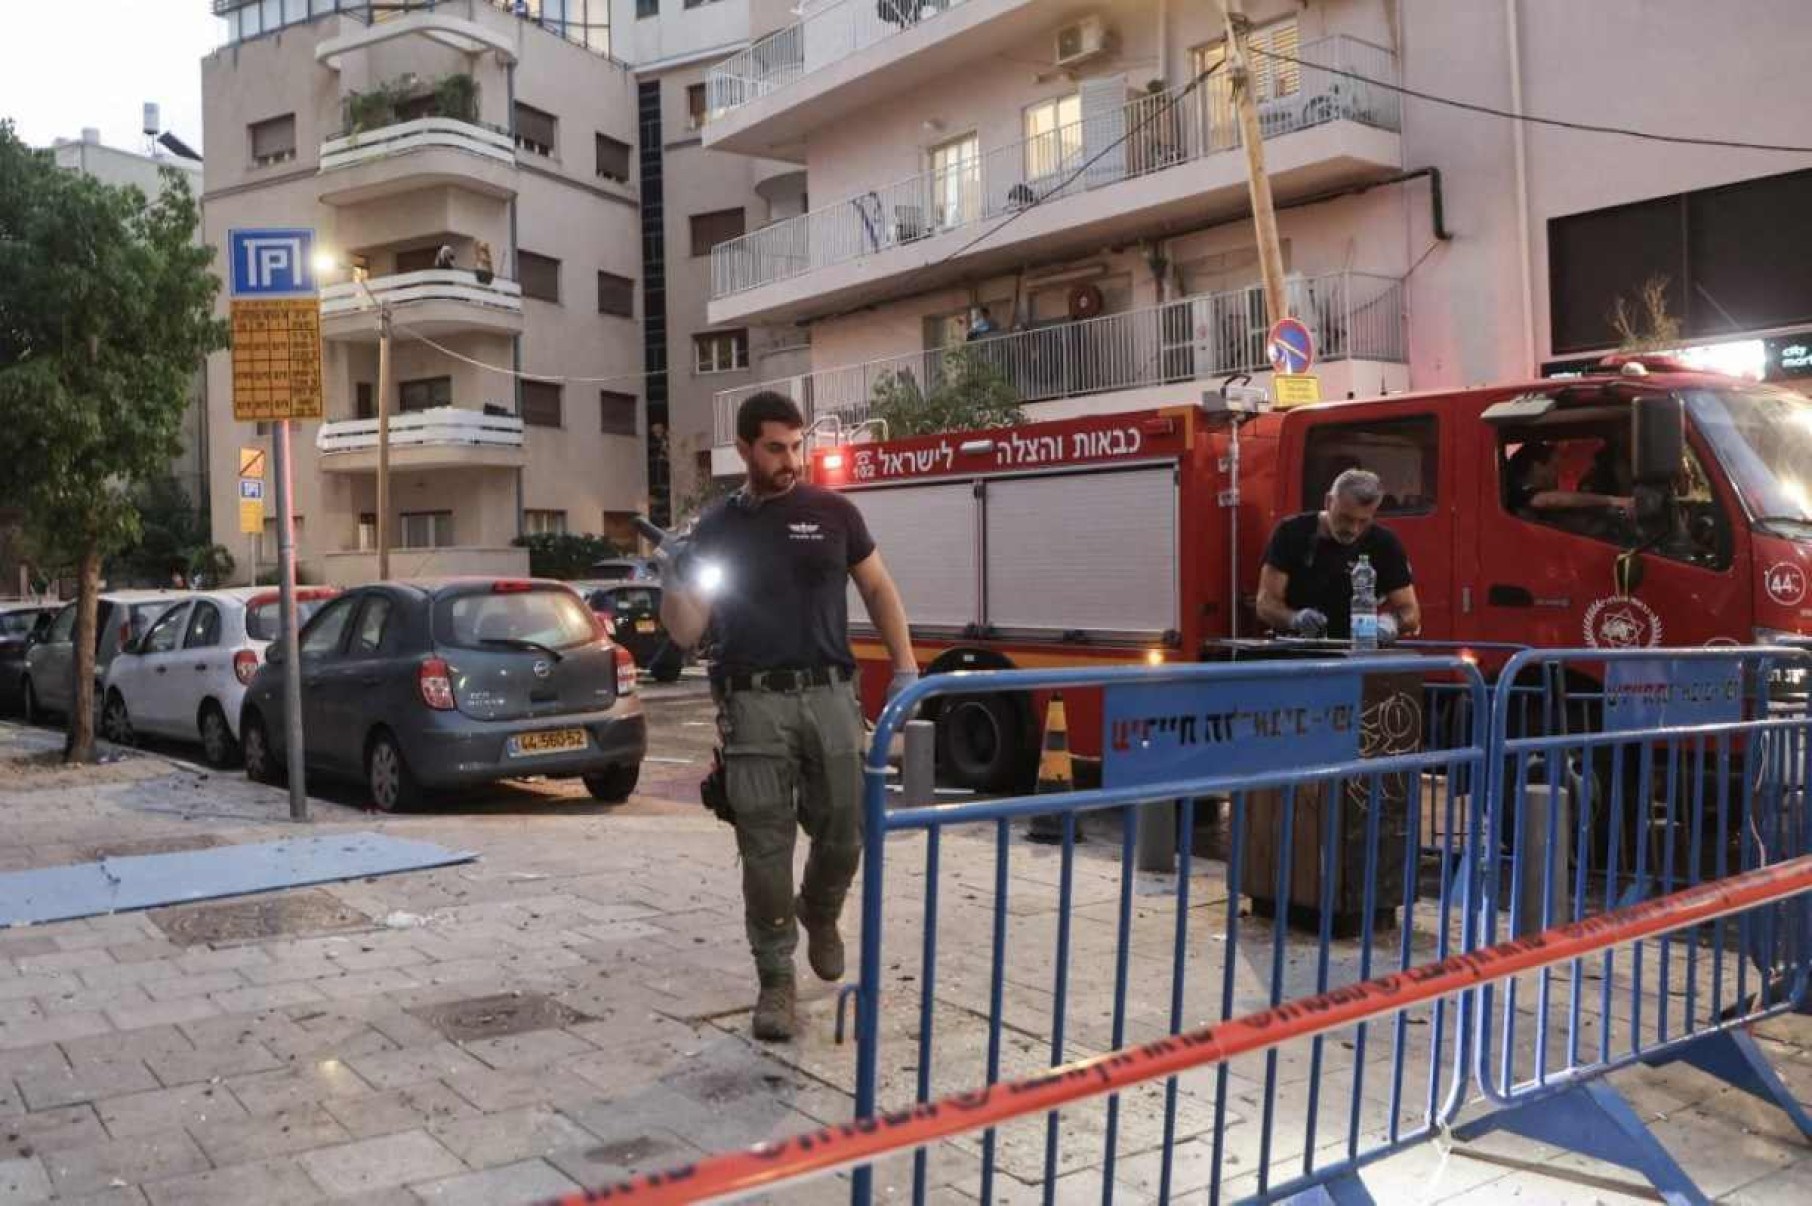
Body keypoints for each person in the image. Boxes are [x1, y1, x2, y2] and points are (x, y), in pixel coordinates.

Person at [659, 391, 917, 1043]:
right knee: (764, 852)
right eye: (775, 448)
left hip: (832, 693)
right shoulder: (716, 529)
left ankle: (821, 909)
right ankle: (776, 982)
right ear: (743, 450)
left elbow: (879, 587)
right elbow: (687, 632)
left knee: (847, 828)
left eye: (797, 445)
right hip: (753, 703)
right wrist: (673, 575)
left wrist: (907, 668)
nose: (790, 460)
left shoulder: (834, 514)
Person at [1255, 468, 1420, 642]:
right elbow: (1265, 604)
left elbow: (1410, 612)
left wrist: (1391, 623)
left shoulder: (1383, 543)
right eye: (1345, 518)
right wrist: (1294, 619)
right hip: (1296, 649)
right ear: (1328, 502)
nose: (1353, 529)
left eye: (1363, 521)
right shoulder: (1291, 533)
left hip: (1356, 650)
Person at [1505, 440, 1633, 522]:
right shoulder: (1520, 492)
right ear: (1536, 467)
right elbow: (1549, 500)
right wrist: (1612, 500)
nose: (1556, 474)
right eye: (1554, 467)